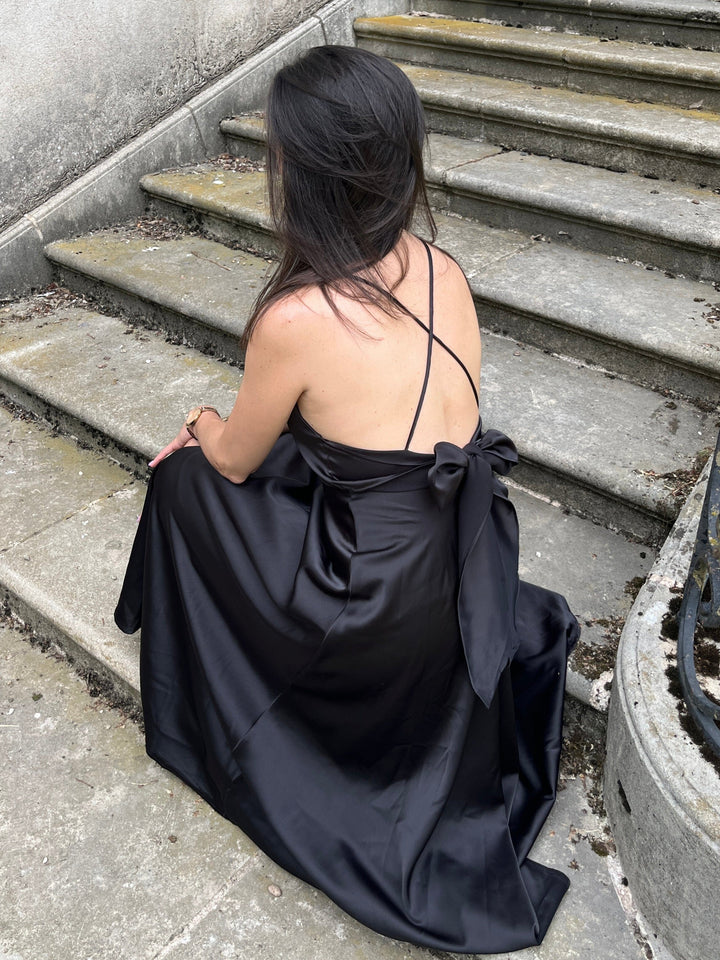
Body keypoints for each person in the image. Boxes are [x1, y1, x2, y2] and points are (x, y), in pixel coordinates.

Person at [114, 45, 580, 954]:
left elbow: (235, 461)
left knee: (182, 477)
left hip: (375, 594)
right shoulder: (443, 266)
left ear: (309, 175)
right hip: (466, 548)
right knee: (297, 454)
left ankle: (202, 679)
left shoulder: (296, 318)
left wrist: (199, 420)